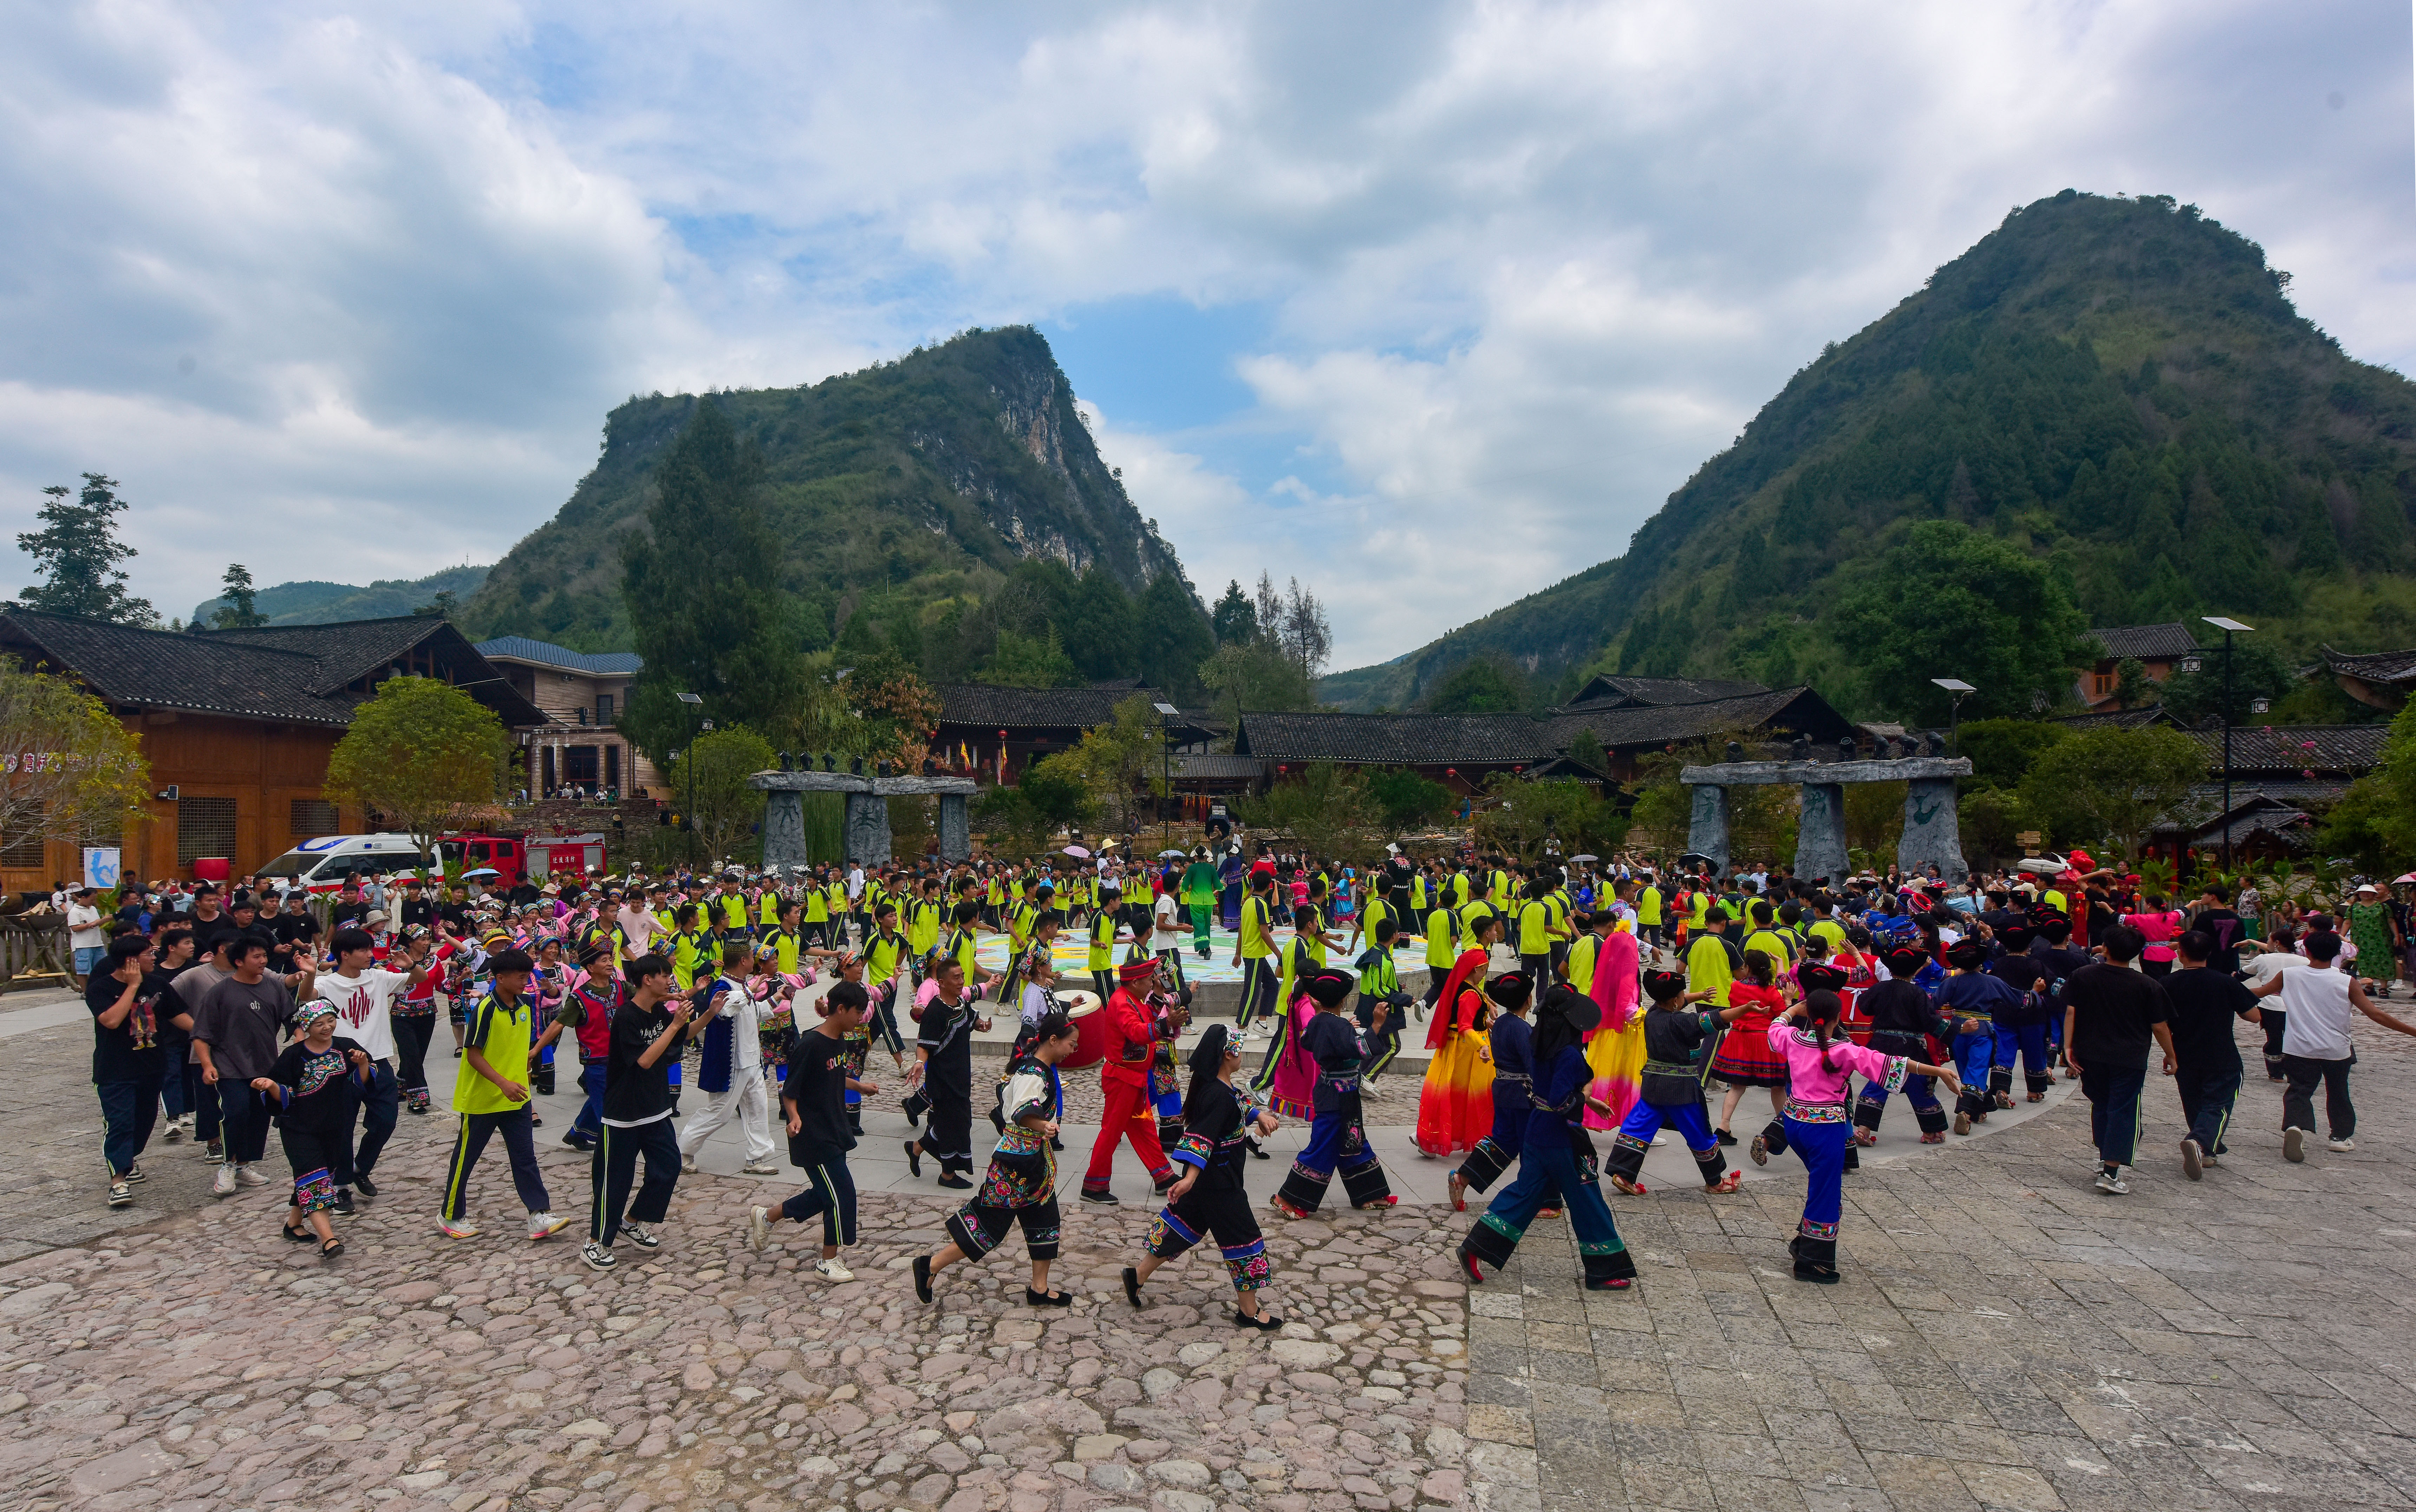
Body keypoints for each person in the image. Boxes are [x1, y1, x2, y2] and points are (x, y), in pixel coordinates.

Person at [1768, 989, 1959, 1283]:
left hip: (1794, 1123)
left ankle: (1803, 1242)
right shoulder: (1844, 1050)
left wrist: (1794, 1010)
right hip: (1825, 1130)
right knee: (1826, 1193)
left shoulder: (1793, 1041)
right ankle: (1813, 1262)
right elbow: (1890, 1063)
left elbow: (1776, 1027)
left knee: (1822, 1187)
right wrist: (1939, 1071)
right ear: (1838, 1018)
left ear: (1809, 1014)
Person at [1458, 982, 1639, 1290]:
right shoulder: (1568, 1054)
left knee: (1525, 1193)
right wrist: (1581, 1099)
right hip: (1560, 1140)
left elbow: (1548, 1091)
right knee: (1587, 1200)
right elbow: (1560, 1100)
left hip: (1535, 1133)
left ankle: (1475, 1247)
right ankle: (1604, 1269)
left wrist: (1583, 1098)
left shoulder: (1538, 1045)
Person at [1121, 1024, 1285, 1330]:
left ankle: (1138, 1275)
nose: (1242, 1056)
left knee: (1184, 1226)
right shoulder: (1217, 1095)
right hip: (1220, 1184)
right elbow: (1202, 1137)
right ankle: (1248, 1311)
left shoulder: (1218, 1088)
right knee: (1244, 1240)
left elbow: (1238, 1102)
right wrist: (1190, 1178)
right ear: (1227, 1055)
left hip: (1208, 1182)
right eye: (1239, 1051)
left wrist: (1259, 1116)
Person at [914, 1009, 1080, 1308]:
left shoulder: (1036, 1067)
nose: (1074, 1051)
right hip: (1015, 1164)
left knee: (1045, 1219)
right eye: (1072, 1044)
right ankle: (932, 1264)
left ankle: (1039, 1288)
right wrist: (1042, 1125)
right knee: (989, 1225)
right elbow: (1021, 1110)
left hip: (1033, 1163)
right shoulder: (1033, 1073)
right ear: (1054, 1040)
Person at [438, 948, 573, 1241]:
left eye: (529, 976)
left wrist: (524, 1073)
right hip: (482, 1100)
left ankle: (539, 1214)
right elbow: (473, 1055)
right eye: (521, 977)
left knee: (525, 1158)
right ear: (500, 978)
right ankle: (450, 1215)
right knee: (465, 1159)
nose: (527, 981)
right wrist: (503, 1083)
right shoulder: (485, 1009)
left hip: (518, 1098)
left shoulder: (525, 1006)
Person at [748, 980, 878, 1279]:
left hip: (835, 1129)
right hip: (812, 1134)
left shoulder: (838, 1040)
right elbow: (790, 1090)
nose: (862, 1017)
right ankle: (827, 1262)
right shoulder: (810, 1045)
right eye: (859, 1012)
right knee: (840, 1194)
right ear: (842, 1009)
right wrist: (793, 1117)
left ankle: (767, 1217)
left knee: (824, 1193)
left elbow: (835, 1075)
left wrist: (860, 1087)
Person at [2251, 928, 2416, 1161]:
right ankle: (2339, 1137)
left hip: (2298, 1047)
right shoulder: (2346, 981)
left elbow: (2258, 992)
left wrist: (2223, 992)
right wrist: (2412, 1032)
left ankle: (2295, 1126)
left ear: (2306, 951)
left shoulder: (2288, 975)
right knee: (2338, 1091)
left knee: (2298, 1090)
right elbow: (2375, 1014)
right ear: (2337, 953)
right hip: (2336, 1048)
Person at [310, 926, 439, 1207]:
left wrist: (411, 964)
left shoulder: (378, 977)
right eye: (364, 950)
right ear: (345, 955)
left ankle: (360, 1169)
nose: (371, 955)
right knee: (342, 1127)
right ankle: (341, 1186)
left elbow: (420, 978)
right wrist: (309, 973)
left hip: (378, 1061)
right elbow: (307, 995)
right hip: (341, 1064)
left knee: (385, 1121)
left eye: (371, 949)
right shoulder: (328, 984)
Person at [584, 953, 696, 1271]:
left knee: (669, 1168)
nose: (669, 981)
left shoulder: (658, 1010)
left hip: (655, 1108)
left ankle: (631, 1221)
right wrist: (675, 1024)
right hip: (623, 1113)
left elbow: (680, 1038)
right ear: (648, 979)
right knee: (614, 1180)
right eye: (665, 975)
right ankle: (595, 1243)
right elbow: (645, 1060)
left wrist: (707, 1014)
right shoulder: (627, 1016)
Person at [1604, 971, 1749, 1195]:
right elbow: (1716, 1019)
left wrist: (1697, 995)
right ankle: (1715, 1181)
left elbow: (1677, 1003)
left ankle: (1623, 1173)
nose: (1684, 997)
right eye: (1682, 994)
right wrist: (1745, 1009)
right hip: (1681, 1091)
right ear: (1675, 1001)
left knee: (1638, 1126)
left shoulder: (1652, 1014)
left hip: (1653, 1085)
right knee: (1699, 1132)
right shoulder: (1682, 1022)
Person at [193, 933, 315, 1198]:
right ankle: (227, 1165)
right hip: (229, 1067)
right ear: (239, 961)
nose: (263, 961)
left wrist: (298, 1036)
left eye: (264, 956)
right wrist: (206, 1065)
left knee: (258, 1117)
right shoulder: (220, 993)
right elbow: (202, 1034)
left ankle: (243, 1166)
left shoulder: (273, 987)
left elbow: (292, 1017)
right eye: (256, 957)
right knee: (235, 1113)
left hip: (265, 1066)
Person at [2061, 927, 2178, 1195]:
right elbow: (2159, 1025)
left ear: (2104, 948)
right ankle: (2111, 1171)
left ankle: (2105, 1156)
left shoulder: (2083, 976)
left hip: (2089, 1052)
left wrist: (2068, 1048)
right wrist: (2170, 1055)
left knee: (2102, 1104)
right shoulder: (2147, 985)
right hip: (2129, 1056)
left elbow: (2071, 1011)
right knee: (2123, 1109)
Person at [1271, 967, 1395, 1217]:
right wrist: (1377, 1024)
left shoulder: (1319, 1022)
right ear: (1344, 1000)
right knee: (1324, 1144)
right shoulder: (1339, 1026)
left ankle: (1369, 1193)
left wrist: (1335, 1025)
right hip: (1340, 1096)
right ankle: (1289, 1198)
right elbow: (1362, 1048)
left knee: (1353, 1139)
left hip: (1330, 1092)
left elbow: (1307, 1040)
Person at [252, 1004, 375, 1258]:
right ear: (306, 1027)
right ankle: (329, 1239)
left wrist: (362, 1064)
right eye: (319, 1024)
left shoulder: (346, 1046)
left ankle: (293, 1225)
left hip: (334, 1127)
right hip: (298, 1129)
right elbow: (280, 1094)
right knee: (315, 1182)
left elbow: (364, 1083)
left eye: (331, 1021)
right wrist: (272, 1086)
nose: (327, 1027)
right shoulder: (293, 1056)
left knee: (316, 1177)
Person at [2161, 930, 2261, 1179]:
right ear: (2210, 953)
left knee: (2194, 1102)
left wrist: (2169, 1052)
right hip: (2221, 1054)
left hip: (2183, 1053)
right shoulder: (2225, 982)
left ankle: (2208, 1151)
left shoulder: (2166, 983)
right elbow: (2253, 1016)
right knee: (2218, 1104)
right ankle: (2198, 1141)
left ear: (2180, 953)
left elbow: (2158, 1023)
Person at [86, 933, 172, 1208]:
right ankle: (118, 1182)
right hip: (115, 1070)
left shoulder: (158, 984)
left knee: (144, 1123)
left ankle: (128, 1160)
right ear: (131, 961)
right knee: (120, 1123)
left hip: (151, 1067)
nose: (154, 957)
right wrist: (133, 986)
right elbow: (111, 1021)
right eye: (149, 953)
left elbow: (179, 1015)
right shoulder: (100, 988)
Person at [680, 942, 780, 1176]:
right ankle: (684, 1150)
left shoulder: (743, 985)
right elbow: (725, 1009)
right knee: (720, 1112)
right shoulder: (722, 986)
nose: (753, 963)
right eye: (750, 958)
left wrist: (779, 998)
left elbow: (752, 1012)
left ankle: (757, 1157)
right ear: (744, 961)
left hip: (752, 1059)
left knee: (758, 1107)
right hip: (732, 1062)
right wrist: (751, 991)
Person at [1447, 970, 1538, 1214]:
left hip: (1503, 1090)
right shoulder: (1521, 1029)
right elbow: (1531, 1064)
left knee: (1503, 1141)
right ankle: (1534, 1197)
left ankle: (1463, 1177)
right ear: (1528, 1000)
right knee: (1531, 1145)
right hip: (1522, 1095)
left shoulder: (1501, 1024)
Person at [1414, 920, 1505, 1157]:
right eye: (1483, 968)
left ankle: (1437, 1135)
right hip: (1467, 1051)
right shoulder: (1469, 995)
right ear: (1475, 970)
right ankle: (1439, 1136)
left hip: (1464, 1047)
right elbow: (1466, 1026)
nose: (1485, 971)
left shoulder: (1471, 990)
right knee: (1467, 1096)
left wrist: (1485, 1021)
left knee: (1457, 1095)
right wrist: (1482, 1046)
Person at [903, 956, 987, 1190]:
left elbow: (971, 1018)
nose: (961, 982)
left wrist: (981, 1025)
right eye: (956, 977)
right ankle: (947, 1175)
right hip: (943, 1079)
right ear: (941, 982)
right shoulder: (935, 1011)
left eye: (962, 977)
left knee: (953, 1123)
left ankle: (916, 1148)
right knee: (954, 1126)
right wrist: (920, 1062)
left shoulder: (960, 1003)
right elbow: (924, 1043)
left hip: (960, 1075)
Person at [1711, 950, 1788, 1149]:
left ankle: (1724, 1126)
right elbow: (1781, 1015)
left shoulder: (1736, 987)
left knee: (1737, 1086)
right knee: (1777, 1086)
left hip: (1739, 1038)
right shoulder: (1770, 991)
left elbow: (1734, 1007)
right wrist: (1788, 1001)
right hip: (1764, 1042)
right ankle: (1785, 1125)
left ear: (1748, 968)